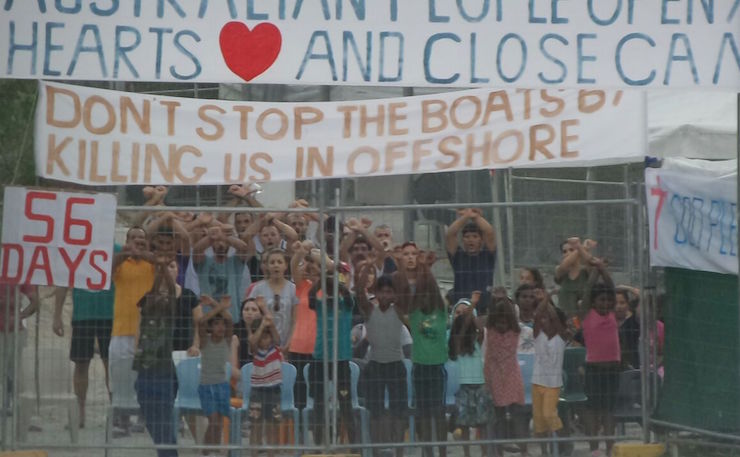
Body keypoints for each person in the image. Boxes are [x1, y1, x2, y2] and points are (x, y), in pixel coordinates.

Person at [393, 246, 447, 457]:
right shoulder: (413, 315)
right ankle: (427, 451)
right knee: (423, 412)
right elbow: (403, 302)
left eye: (427, 293)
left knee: (439, 411)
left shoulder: (441, 312)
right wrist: (403, 267)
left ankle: (442, 452)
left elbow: (430, 286)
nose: (423, 296)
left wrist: (425, 268)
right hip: (420, 367)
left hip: (437, 368)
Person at [356, 268, 407, 457]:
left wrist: (399, 267)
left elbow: (404, 292)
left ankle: (399, 452)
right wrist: (365, 270)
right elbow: (360, 293)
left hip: (396, 365)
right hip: (375, 365)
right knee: (375, 411)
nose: (385, 295)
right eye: (381, 291)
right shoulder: (370, 310)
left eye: (389, 291)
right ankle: (377, 451)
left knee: (398, 412)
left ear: (394, 294)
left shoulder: (399, 310)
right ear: (375, 293)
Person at [52, 276, 116, 429]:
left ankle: (115, 414)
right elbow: (62, 283)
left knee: (111, 366)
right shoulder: (76, 252)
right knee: (81, 365)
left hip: (109, 315)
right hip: (82, 315)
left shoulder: (116, 251)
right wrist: (57, 316)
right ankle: (79, 413)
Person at [110, 226, 156, 436]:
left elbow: (164, 267)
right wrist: (125, 253)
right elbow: (107, 270)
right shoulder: (120, 262)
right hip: (121, 328)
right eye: (134, 238)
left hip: (147, 330)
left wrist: (145, 253)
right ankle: (122, 419)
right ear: (127, 240)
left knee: (145, 376)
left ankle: (144, 416)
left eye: (142, 239)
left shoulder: (152, 263)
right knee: (121, 376)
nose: (138, 241)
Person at [132, 263, 179, 457]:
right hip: (144, 368)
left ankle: (168, 454)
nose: (162, 294)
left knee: (164, 421)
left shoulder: (173, 306)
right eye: (158, 290)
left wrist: (164, 270)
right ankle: (165, 451)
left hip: (164, 371)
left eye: (164, 290)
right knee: (152, 421)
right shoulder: (147, 302)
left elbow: (173, 292)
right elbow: (137, 328)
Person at [308, 276, 358, 445]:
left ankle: (353, 445)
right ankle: (318, 445)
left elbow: (350, 297)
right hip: (320, 359)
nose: (330, 292)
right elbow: (311, 296)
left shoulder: (346, 305)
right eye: (328, 289)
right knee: (319, 404)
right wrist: (322, 280)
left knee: (345, 404)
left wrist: (338, 285)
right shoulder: (320, 304)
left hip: (341, 360)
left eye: (333, 289)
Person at [578, 267, 620, 457]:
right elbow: (587, 292)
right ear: (593, 302)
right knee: (593, 409)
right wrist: (595, 272)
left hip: (612, 369)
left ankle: (610, 447)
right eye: (601, 300)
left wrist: (604, 270)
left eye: (608, 300)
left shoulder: (612, 315)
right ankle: (594, 447)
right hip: (594, 369)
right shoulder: (587, 315)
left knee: (609, 409)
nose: (605, 303)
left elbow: (611, 288)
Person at [484, 299, 527, 457]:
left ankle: (523, 450)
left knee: (518, 416)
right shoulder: (492, 334)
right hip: (496, 378)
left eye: (505, 322)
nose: (502, 326)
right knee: (499, 418)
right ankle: (499, 451)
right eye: (499, 323)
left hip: (511, 377)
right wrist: (487, 380)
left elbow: (499, 354)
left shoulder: (513, 333)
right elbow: (490, 356)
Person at [448, 306, 491, 457]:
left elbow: (481, 331)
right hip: (464, 387)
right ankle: (467, 454)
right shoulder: (459, 345)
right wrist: (471, 308)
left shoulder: (478, 343)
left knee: (483, 424)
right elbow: (461, 332)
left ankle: (485, 453)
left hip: (480, 386)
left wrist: (472, 316)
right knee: (464, 424)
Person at [197, 296, 234, 456]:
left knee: (219, 422)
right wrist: (219, 307)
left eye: (222, 325)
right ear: (211, 328)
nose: (220, 327)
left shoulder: (227, 340)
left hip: (222, 385)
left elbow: (230, 319)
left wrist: (214, 303)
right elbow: (201, 322)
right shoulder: (205, 341)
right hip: (206, 386)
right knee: (212, 419)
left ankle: (214, 450)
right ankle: (206, 450)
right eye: (216, 324)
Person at [193, 224, 249, 323]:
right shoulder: (204, 262)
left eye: (224, 242)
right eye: (217, 242)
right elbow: (197, 250)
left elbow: (244, 248)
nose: (221, 244)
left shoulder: (235, 263)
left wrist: (225, 236)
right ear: (211, 245)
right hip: (208, 318)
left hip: (231, 319)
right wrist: (211, 237)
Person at [531, 300, 567, 456]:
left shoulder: (561, 337)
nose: (545, 322)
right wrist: (544, 300)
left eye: (549, 319)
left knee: (549, 415)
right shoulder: (538, 336)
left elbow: (557, 321)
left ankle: (562, 445)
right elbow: (537, 317)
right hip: (537, 382)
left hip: (552, 384)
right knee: (539, 421)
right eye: (544, 319)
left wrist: (549, 303)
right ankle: (545, 452)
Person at [446, 208, 497, 315]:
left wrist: (476, 217)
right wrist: (465, 217)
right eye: (467, 237)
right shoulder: (458, 257)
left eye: (475, 236)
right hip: (461, 310)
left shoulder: (487, 256)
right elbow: (450, 234)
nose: (470, 240)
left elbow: (489, 232)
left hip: (484, 310)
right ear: (463, 240)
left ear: (481, 240)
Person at [247, 249, 298, 352]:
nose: (276, 265)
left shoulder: (293, 289)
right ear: (267, 266)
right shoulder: (258, 289)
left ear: (285, 265)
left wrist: (289, 343)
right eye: (272, 262)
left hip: (286, 342)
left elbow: (295, 320)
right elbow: (249, 318)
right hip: (263, 344)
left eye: (279, 262)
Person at [248, 312, 283, 457]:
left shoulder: (274, 348)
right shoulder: (255, 350)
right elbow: (252, 341)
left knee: (272, 425)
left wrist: (269, 322)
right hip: (257, 391)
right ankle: (254, 452)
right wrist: (262, 326)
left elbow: (277, 338)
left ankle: (271, 453)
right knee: (256, 424)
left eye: (267, 336)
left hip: (274, 391)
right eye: (262, 337)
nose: (265, 340)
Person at [554, 237, 597, 319]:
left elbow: (590, 261)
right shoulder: (560, 270)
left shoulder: (586, 271)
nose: (568, 253)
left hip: (584, 320)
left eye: (571, 250)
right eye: (564, 251)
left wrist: (580, 247)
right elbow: (565, 265)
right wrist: (581, 247)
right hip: (564, 320)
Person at [615, 287, 640, 370]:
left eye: (622, 303)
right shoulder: (607, 323)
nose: (618, 306)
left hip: (632, 366)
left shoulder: (633, 321)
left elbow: (642, 296)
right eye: (615, 303)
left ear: (628, 304)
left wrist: (625, 287)